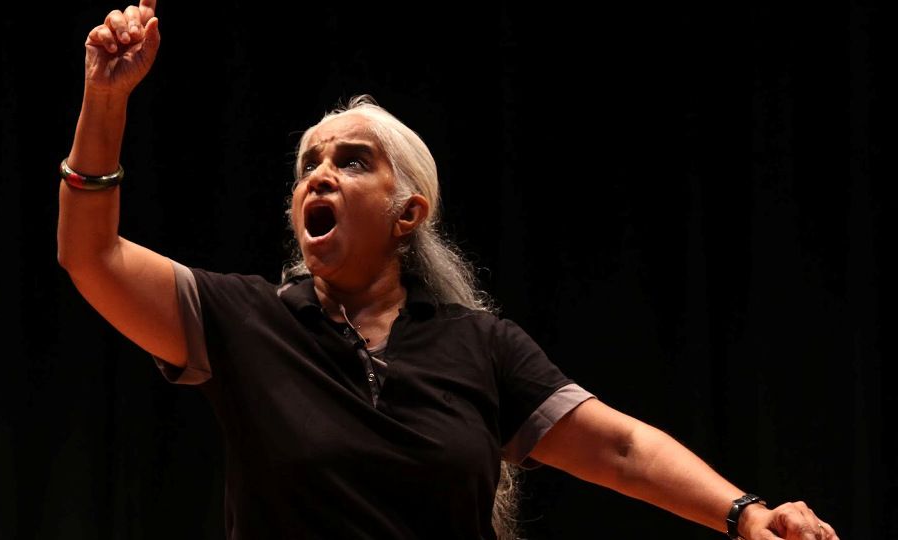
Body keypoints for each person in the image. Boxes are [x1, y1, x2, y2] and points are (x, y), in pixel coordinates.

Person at [57, 2, 840, 539]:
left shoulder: (480, 347)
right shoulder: (243, 319)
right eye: (307, 165)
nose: (318, 176)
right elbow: (90, 255)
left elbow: (620, 451)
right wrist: (105, 100)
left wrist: (743, 515)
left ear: (408, 214)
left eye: (350, 161)